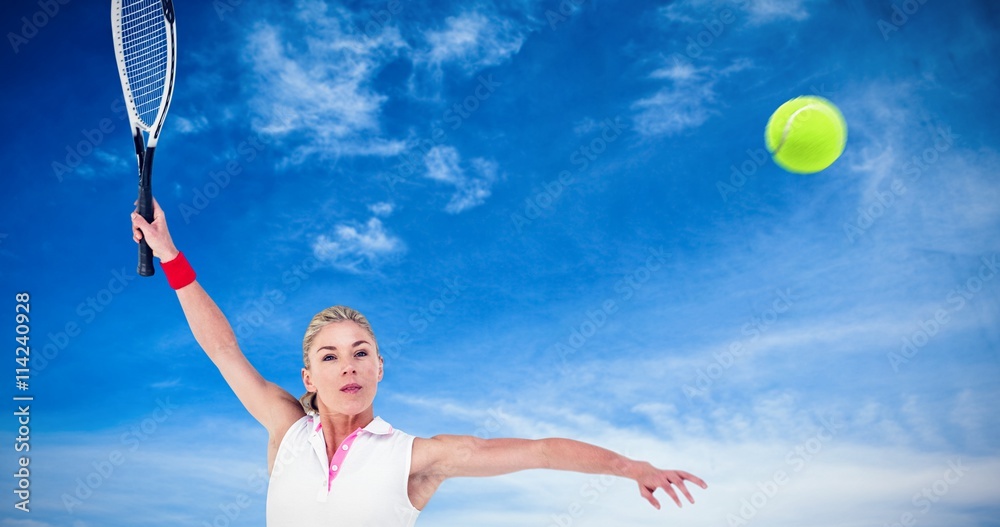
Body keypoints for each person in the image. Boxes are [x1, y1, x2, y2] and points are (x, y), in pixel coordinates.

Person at [131, 198, 707, 526]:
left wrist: (631, 467)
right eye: (329, 357)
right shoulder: (286, 427)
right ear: (309, 377)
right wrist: (171, 256)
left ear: (381, 367)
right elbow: (222, 349)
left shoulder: (417, 457)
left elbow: (540, 452)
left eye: (360, 354)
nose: (347, 367)